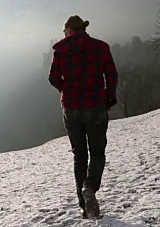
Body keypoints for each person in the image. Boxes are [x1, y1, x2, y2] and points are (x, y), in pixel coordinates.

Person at [48, 15, 118, 219]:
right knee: (97, 154)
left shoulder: (61, 51)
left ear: (69, 30)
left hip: (71, 108)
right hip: (96, 106)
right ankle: (90, 188)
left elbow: (53, 78)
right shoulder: (100, 47)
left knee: (80, 156)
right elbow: (112, 74)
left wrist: (67, 90)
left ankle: (84, 207)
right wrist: (109, 97)